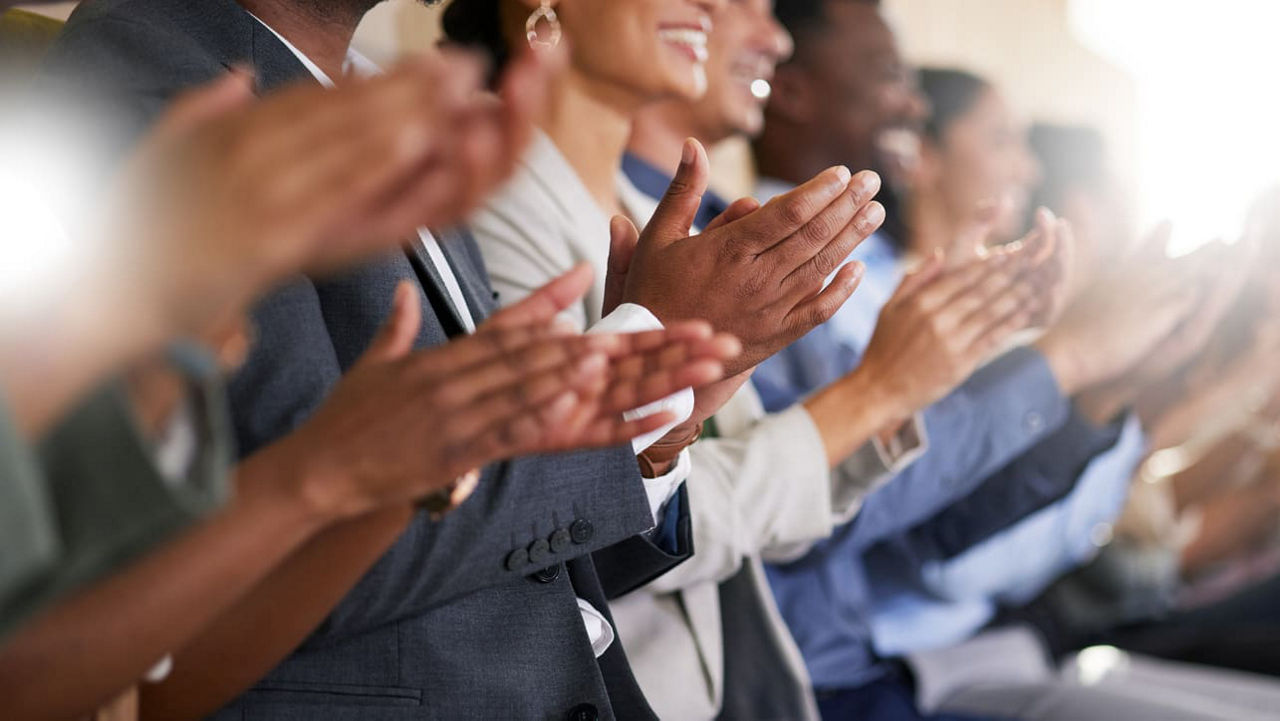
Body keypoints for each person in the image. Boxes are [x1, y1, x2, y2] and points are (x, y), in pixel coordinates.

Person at [9, 4, 746, 721]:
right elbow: (286, 555)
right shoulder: (152, 68)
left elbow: (519, 568)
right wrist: (631, 381)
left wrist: (655, 433)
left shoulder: (378, 95)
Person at [752, 3, 1280, 719]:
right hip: (907, 662)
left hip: (966, 647)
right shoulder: (826, 280)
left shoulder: (900, 283)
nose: (1026, 168)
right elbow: (941, 548)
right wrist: (1087, 370)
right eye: (1002, 140)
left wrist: (1116, 387)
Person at [612, 3, 1073, 718]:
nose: (771, 39)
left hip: (846, 657)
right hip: (789, 672)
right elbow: (833, 516)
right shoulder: (739, 246)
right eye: (888, 75)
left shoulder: (759, 236)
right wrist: (1067, 363)